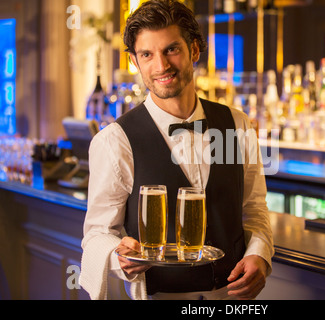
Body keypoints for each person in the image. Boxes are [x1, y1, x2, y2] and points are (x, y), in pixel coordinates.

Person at [80, 0, 274, 300]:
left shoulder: (237, 124)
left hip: (231, 299)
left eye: (171, 49)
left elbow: (254, 208)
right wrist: (118, 255)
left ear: (194, 50)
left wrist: (260, 254)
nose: (161, 66)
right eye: (147, 54)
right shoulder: (114, 141)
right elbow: (96, 234)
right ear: (135, 61)